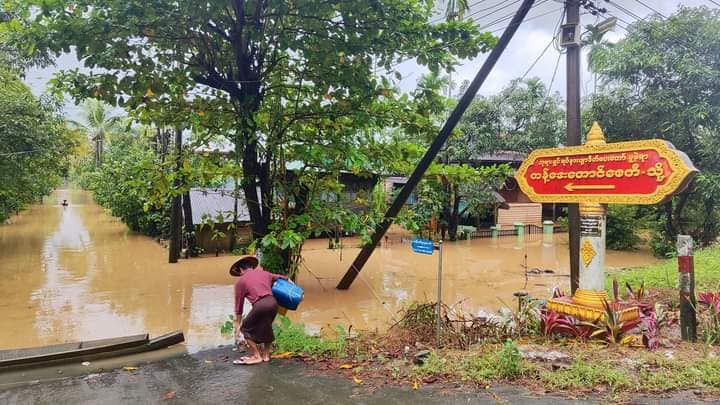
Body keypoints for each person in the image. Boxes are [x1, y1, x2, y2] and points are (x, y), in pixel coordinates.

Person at [229, 255, 287, 365]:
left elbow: (239, 306)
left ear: (241, 269)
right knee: (266, 327)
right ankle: (265, 355)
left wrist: (238, 323)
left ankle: (256, 356)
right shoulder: (264, 273)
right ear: (251, 266)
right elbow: (283, 278)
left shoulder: (241, 282)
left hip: (261, 304)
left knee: (245, 329)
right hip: (273, 303)